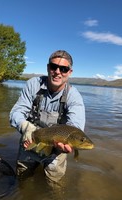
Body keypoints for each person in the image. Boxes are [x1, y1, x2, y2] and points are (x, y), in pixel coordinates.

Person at [9, 50, 85, 182]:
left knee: (54, 185)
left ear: (70, 72)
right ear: (48, 67)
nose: (57, 72)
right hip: (30, 140)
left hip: (56, 150)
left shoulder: (74, 96)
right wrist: (25, 126)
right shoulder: (33, 84)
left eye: (64, 69)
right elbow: (16, 112)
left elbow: (75, 127)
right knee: (22, 179)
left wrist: (68, 143)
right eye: (53, 66)